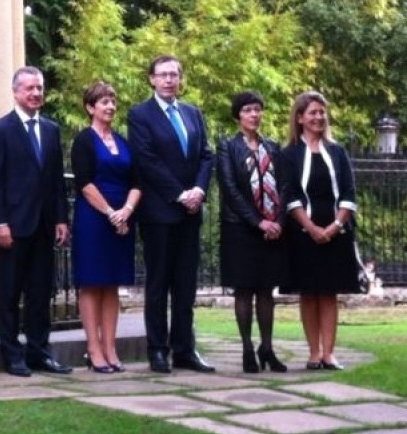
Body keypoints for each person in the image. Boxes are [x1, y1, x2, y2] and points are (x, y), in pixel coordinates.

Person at [127, 55, 215, 374]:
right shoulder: (140, 114)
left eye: (174, 75)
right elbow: (146, 160)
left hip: (191, 213)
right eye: (162, 75)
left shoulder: (193, 113)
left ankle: (184, 350)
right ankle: (157, 350)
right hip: (159, 213)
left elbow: (206, 155)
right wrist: (179, 194)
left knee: (185, 285)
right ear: (151, 79)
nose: (169, 80)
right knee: (159, 283)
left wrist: (199, 191)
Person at [0, 67, 72, 377]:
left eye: (40, 88)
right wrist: (0, 223)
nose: (36, 93)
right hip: (14, 226)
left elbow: (56, 180)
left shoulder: (51, 129)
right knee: (9, 294)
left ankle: (40, 351)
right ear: (16, 92)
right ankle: (12, 354)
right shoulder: (0, 129)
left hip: (45, 226)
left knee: (40, 293)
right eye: (30, 88)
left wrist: (61, 218)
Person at [279, 90, 359, 370]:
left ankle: (329, 353)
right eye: (312, 112)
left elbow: (349, 192)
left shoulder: (338, 152)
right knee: (309, 293)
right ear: (300, 118)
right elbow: (289, 196)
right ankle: (314, 353)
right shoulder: (288, 154)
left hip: (336, 231)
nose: (319, 117)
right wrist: (311, 227)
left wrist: (336, 225)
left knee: (329, 293)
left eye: (322, 112)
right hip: (303, 232)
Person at [70, 81, 141, 373]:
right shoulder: (83, 140)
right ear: (90, 108)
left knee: (112, 284)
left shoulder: (124, 142)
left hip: (122, 217)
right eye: (103, 102)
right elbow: (84, 182)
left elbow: (137, 182)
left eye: (112, 101)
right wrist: (111, 213)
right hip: (94, 218)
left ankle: (111, 348)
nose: (110, 106)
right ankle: (93, 349)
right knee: (92, 282)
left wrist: (126, 211)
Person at [216, 91, 288, 373]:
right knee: (244, 289)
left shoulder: (272, 147)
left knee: (267, 290)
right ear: (238, 115)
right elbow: (230, 189)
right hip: (241, 229)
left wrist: (278, 221)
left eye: (258, 110)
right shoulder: (227, 147)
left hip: (271, 229)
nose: (254, 115)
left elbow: (284, 186)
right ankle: (247, 348)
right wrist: (258, 222)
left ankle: (267, 348)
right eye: (248, 110)